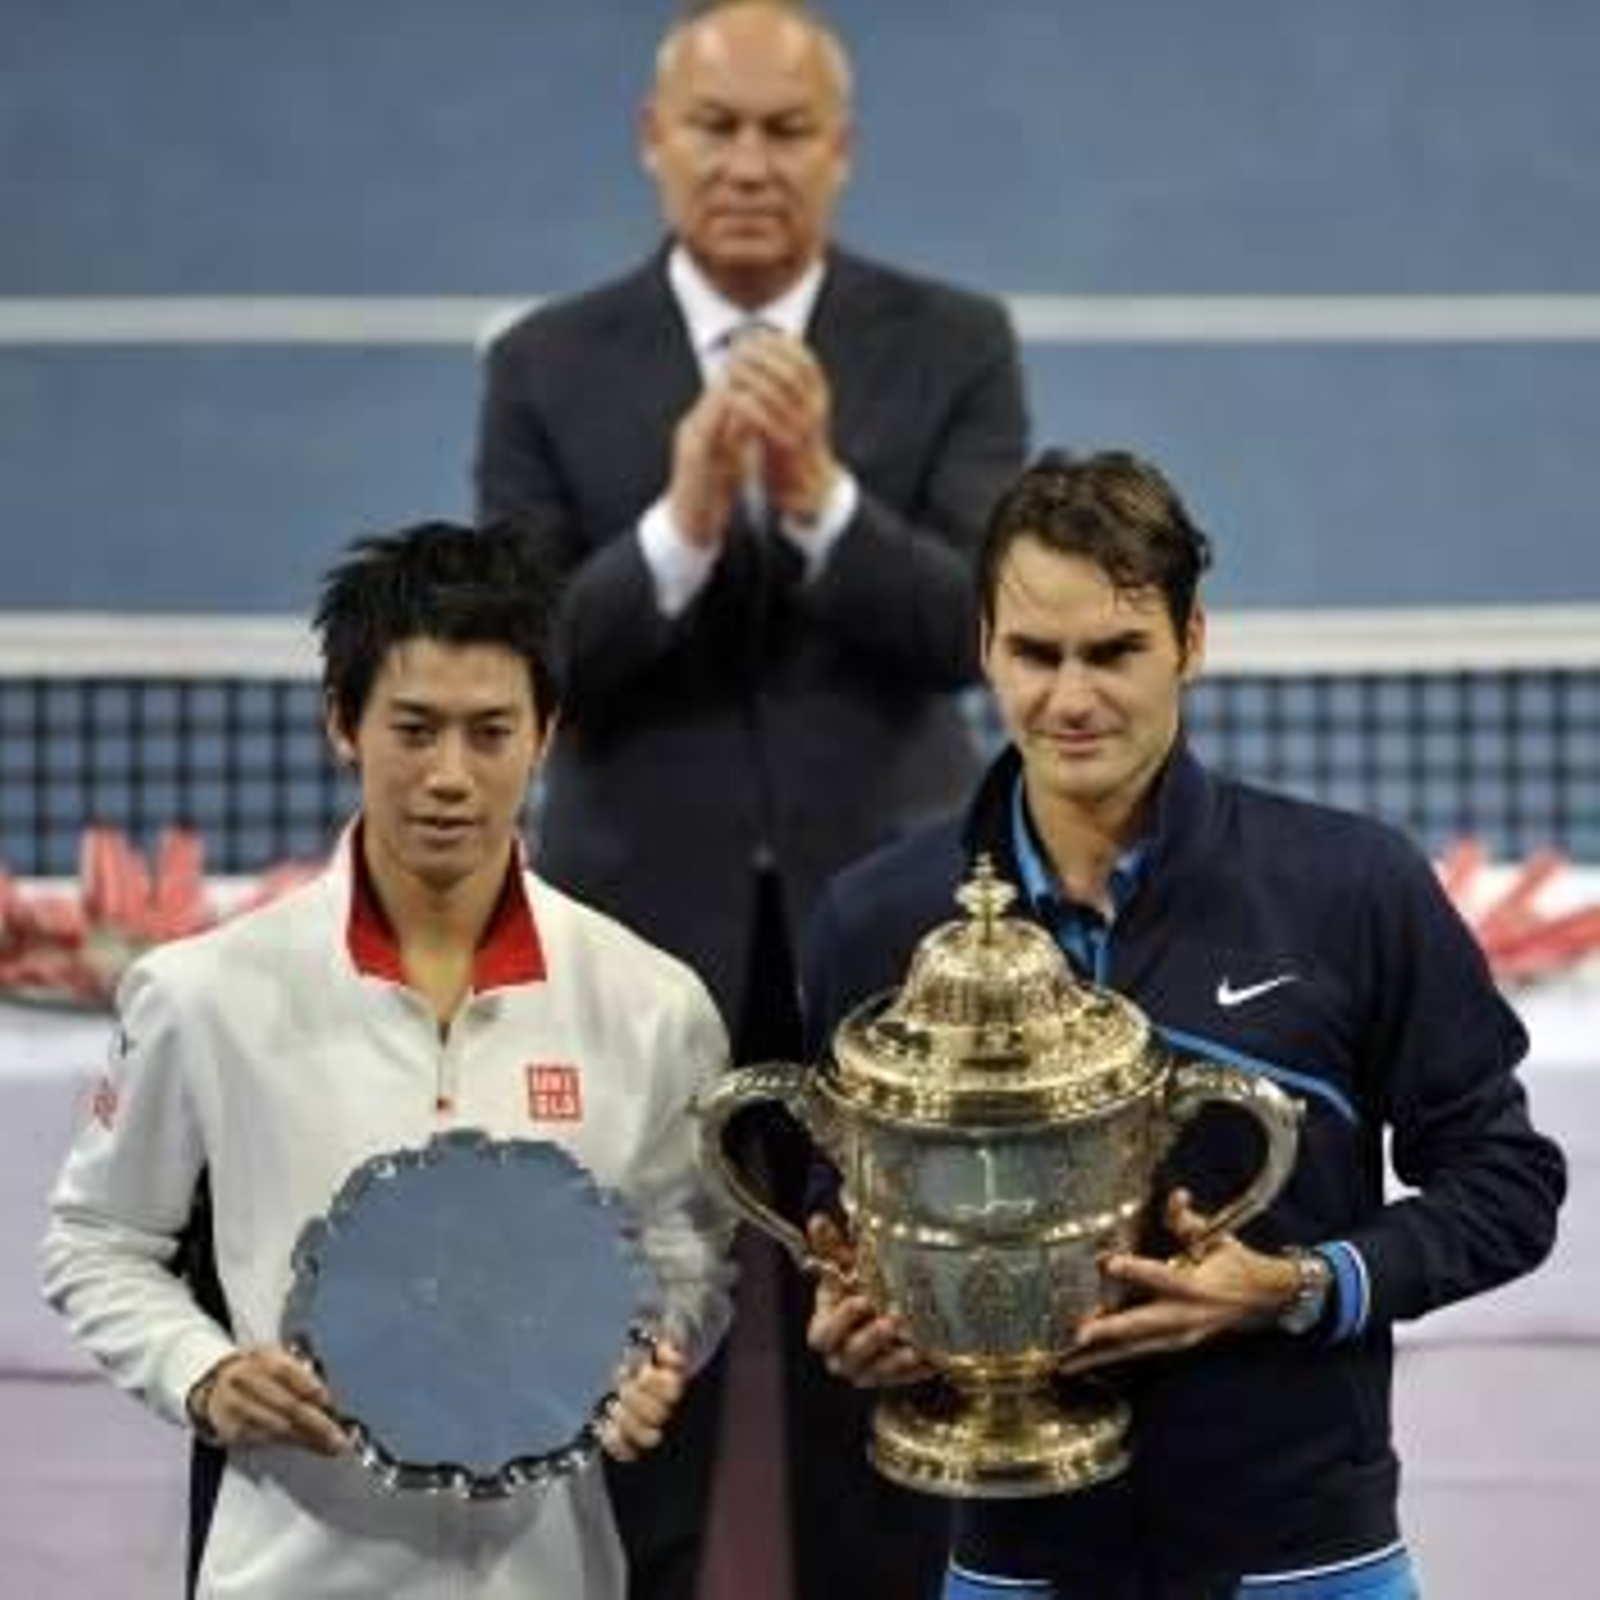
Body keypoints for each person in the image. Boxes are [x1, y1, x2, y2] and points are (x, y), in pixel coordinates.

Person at [475, 3, 1027, 1596]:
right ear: (656, 142)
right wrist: (688, 521)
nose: (748, 164)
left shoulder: (954, 341)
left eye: (787, 132)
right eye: (715, 128)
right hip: (636, 944)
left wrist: (823, 498)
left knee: (889, 1359)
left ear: (839, 155)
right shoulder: (546, 364)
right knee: (636, 1362)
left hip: (893, 953)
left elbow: (971, 628)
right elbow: (529, 664)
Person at [803, 448, 1567, 1598]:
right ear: (983, 648)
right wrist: (856, 1310)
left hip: (1306, 1551)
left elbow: (1507, 1182)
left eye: (1114, 652)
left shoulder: (1352, 889)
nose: (1070, 698)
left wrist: (1301, 1283)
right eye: (1034, 653)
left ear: (1191, 641)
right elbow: (845, 1205)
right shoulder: (880, 920)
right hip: (1020, 1560)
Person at [40, 522, 737, 1600]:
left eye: (489, 731)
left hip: (554, 1576)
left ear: (545, 734)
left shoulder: (651, 1004)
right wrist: (207, 1372)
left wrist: (653, 1353)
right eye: (412, 728)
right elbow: (97, 1237)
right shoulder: (202, 995)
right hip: (285, 1572)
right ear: (340, 722)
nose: (449, 777)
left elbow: (683, 1246)